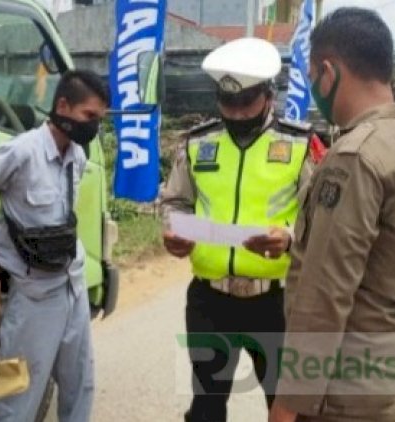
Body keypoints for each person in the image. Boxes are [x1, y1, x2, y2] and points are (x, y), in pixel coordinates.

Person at [269, 8, 395, 422]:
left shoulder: (355, 156)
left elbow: (325, 292)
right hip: (393, 373)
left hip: (344, 388)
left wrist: (288, 401)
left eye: (313, 76)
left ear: (328, 73)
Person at [160, 37, 317, 422]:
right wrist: (174, 231)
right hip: (210, 300)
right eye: (227, 102)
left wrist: (289, 239)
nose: (237, 112)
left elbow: (322, 220)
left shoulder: (299, 145)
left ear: (269, 95)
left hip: (275, 303)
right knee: (206, 407)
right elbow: (175, 201)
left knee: (284, 407)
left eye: (246, 101)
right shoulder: (198, 143)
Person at [0, 70, 109, 422]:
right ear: (62, 106)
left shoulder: (76, 155)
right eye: (89, 115)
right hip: (32, 295)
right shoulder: (21, 151)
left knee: (80, 385)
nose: (93, 125)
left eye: (99, 119)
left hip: (72, 285)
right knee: (16, 393)